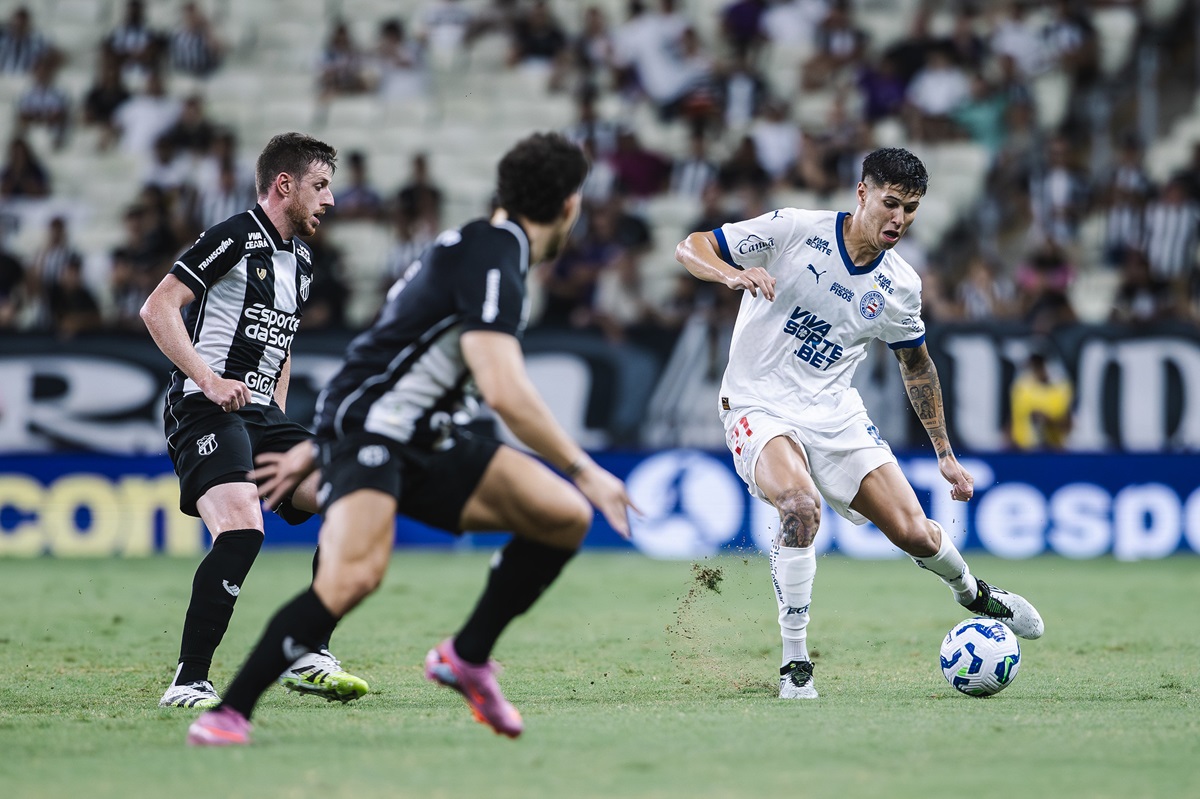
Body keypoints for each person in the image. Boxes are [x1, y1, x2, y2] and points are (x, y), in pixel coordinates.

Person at [186, 132, 636, 746]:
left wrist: (315, 440)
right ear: (567, 205)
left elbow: (389, 346)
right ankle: (227, 713)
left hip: (419, 432)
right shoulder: (494, 254)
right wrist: (586, 467)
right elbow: (503, 389)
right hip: (374, 433)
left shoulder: (485, 247)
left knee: (561, 517)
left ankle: (466, 656)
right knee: (352, 580)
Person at [674, 147, 1044, 700]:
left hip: (835, 413)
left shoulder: (900, 286)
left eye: (912, 209)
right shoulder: (794, 229)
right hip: (757, 403)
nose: (899, 218)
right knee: (800, 508)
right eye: (891, 203)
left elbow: (915, 364)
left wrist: (943, 451)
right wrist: (732, 274)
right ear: (862, 193)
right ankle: (795, 664)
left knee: (915, 533)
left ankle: (974, 594)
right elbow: (691, 246)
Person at [140, 132, 368, 709]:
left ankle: (310, 650)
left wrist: (277, 422)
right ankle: (188, 681)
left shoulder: (303, 259)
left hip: (261, 416)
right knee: (242, 528)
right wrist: (210, 379)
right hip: (203, 406)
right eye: (320, 186)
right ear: (283, 185)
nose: (330, 200)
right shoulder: (233, 237)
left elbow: (281, 347)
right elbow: (157, 307)